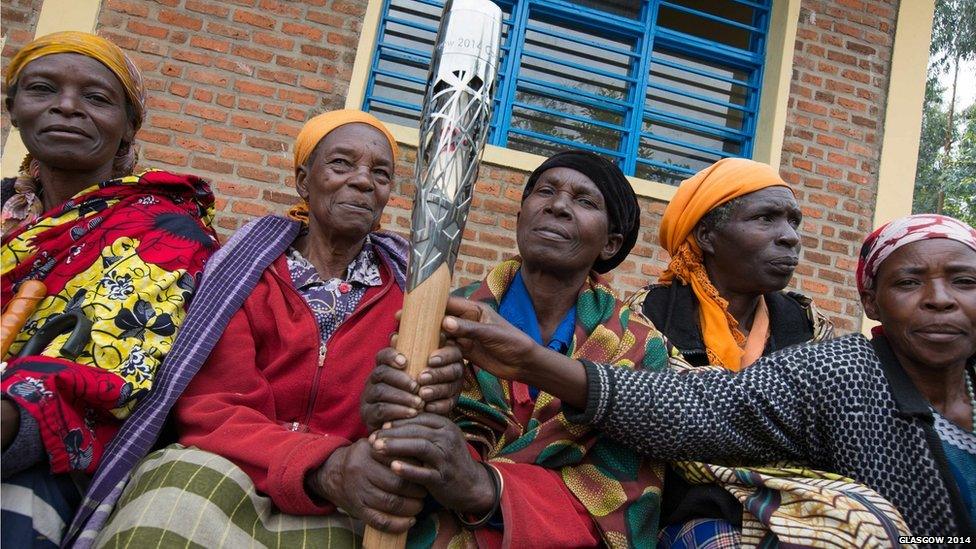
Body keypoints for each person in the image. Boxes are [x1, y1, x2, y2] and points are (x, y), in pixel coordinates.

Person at [435, 213, 976, 541]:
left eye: (964, 281)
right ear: (872, 299)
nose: (940, 300)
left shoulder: (804, 322)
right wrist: (532, 360)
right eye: (910, 282)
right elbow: (700, 406)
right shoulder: (835, 371)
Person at [93, 110, 463, 547]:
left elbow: (402, 424)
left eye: (380, 173)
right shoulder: (245, 276)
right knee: (168, 509)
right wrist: (321, 465)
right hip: (226, 465)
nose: (363, 181)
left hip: (347, 494)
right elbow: (212, 408)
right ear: (304, 182)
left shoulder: (412, 300)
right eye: (341, 164)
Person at [363, 150, 674, 547]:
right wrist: (386, 407)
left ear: (610, 244)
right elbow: (395, 449)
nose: (558, 206)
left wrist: (487, 486)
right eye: (545, 191)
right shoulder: (442, 315)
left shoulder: (636, 348)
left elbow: (625, 498)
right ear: (520, 216)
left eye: (584, 201)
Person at [0, 31, 217, 547]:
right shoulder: (9, 213)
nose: (67, 107)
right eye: (42, 90)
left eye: (96, 98)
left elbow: (110, 378)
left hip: (47, 458)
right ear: (13, 109)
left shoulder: (165, 230)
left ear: (127, 129)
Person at [626, 158, 833, 546]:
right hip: (682, 514)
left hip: (793, 516)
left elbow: (819, 436)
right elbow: (654, 420)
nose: (789, 236)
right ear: (707, 235)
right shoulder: (647, 317)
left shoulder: (807, 326)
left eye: (793, 221)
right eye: (766, 218)